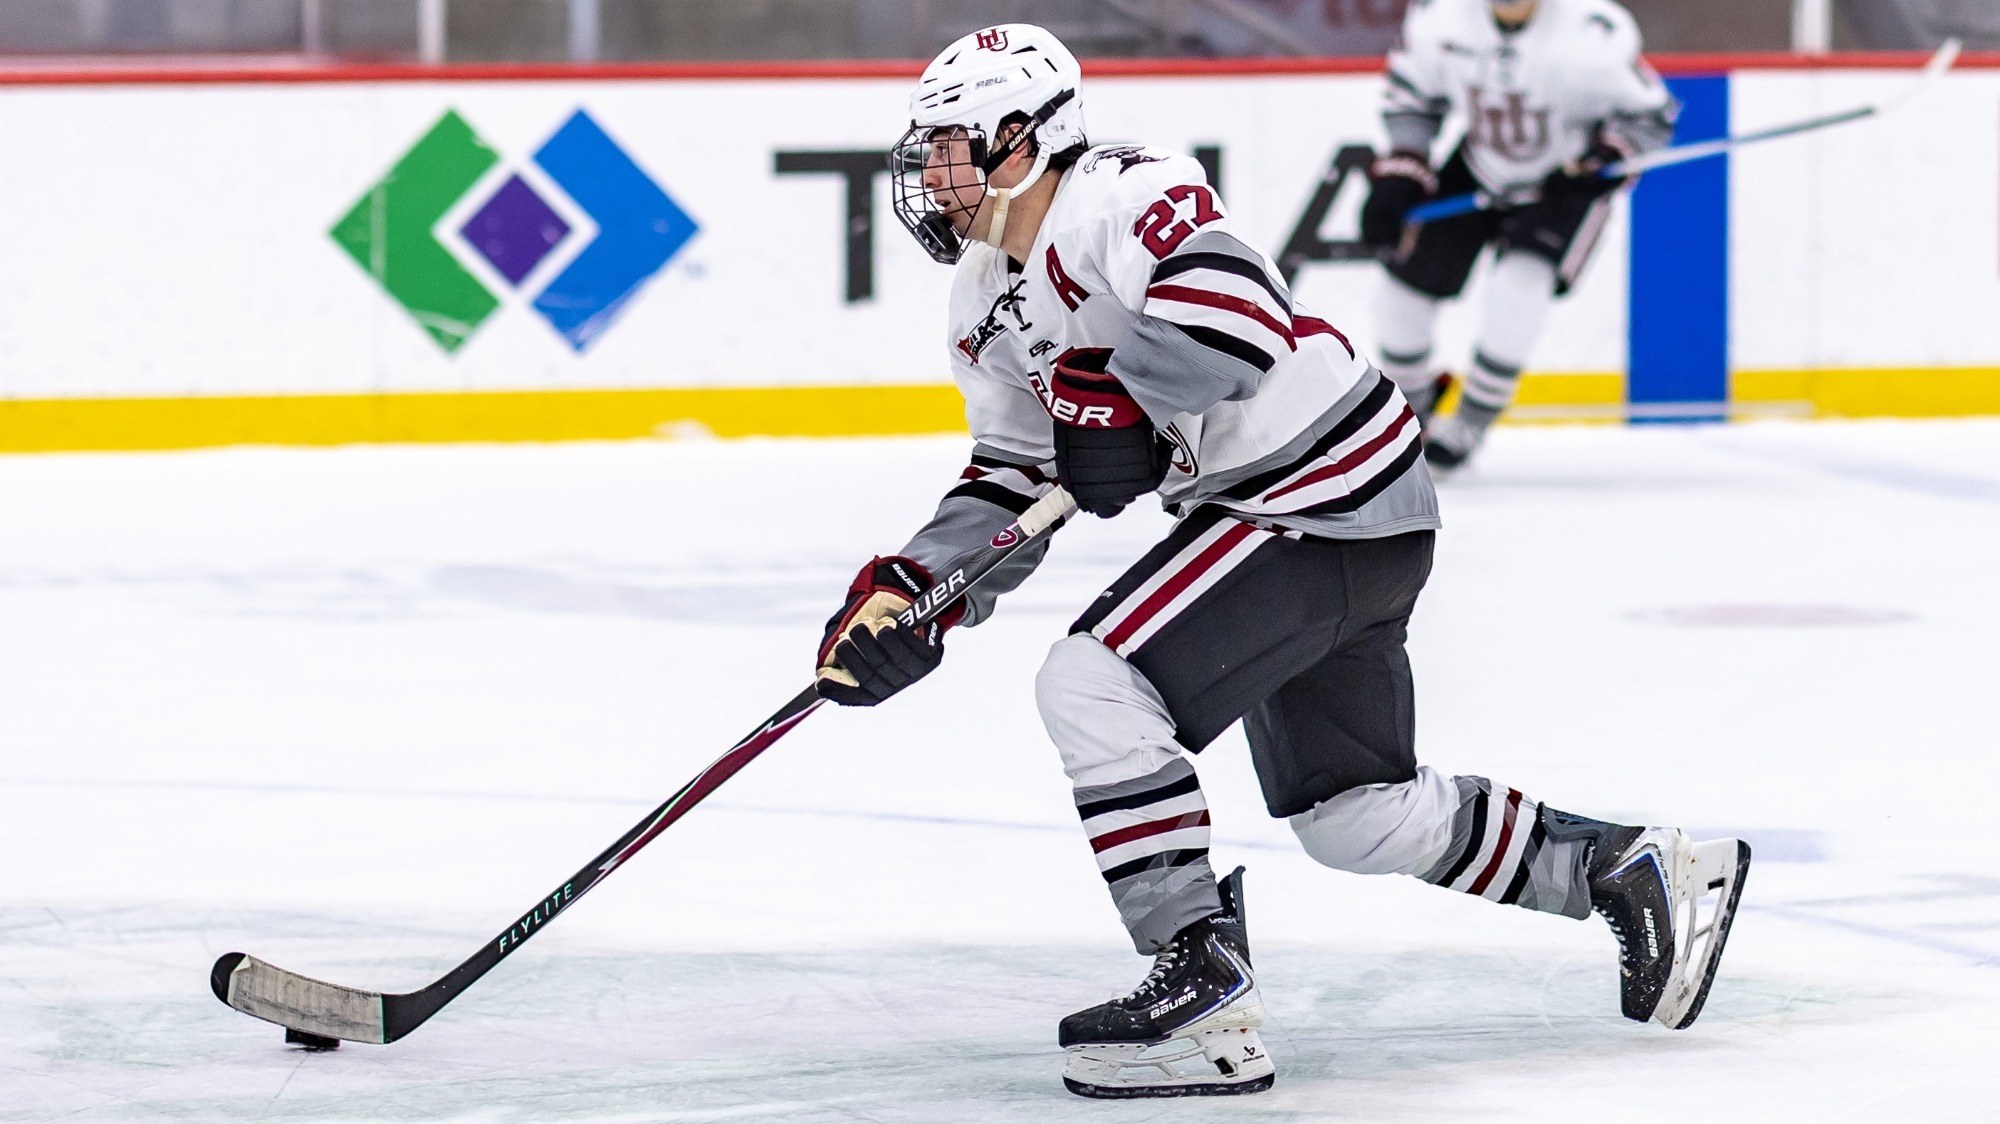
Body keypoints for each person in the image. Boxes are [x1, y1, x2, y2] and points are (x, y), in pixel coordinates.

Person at [814, 23, 1747, 1098]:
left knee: (1091, 680)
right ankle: (1628, 868)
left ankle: (1199, 980)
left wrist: (1125, 396)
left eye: (948, 147)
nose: (928, 177)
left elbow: (1240, 314)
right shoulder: (979, 304)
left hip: (1316, 489)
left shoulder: (1122, 189)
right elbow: (1014, 470)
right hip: (1324, 512)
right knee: (1355, 813)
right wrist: (915, 590)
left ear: (1022, 140)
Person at [1362, 0, 1679, 470]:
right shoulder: (1442, 19)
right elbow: (1413, 98)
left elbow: (1651, 117)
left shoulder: (1593, 29)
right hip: (1478, 167)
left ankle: (1470, 421)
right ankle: (1409, 410)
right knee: (1402, 292)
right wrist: (1404, 168)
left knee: (1519, 287)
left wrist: (1602, 159)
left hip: (1561, 181)